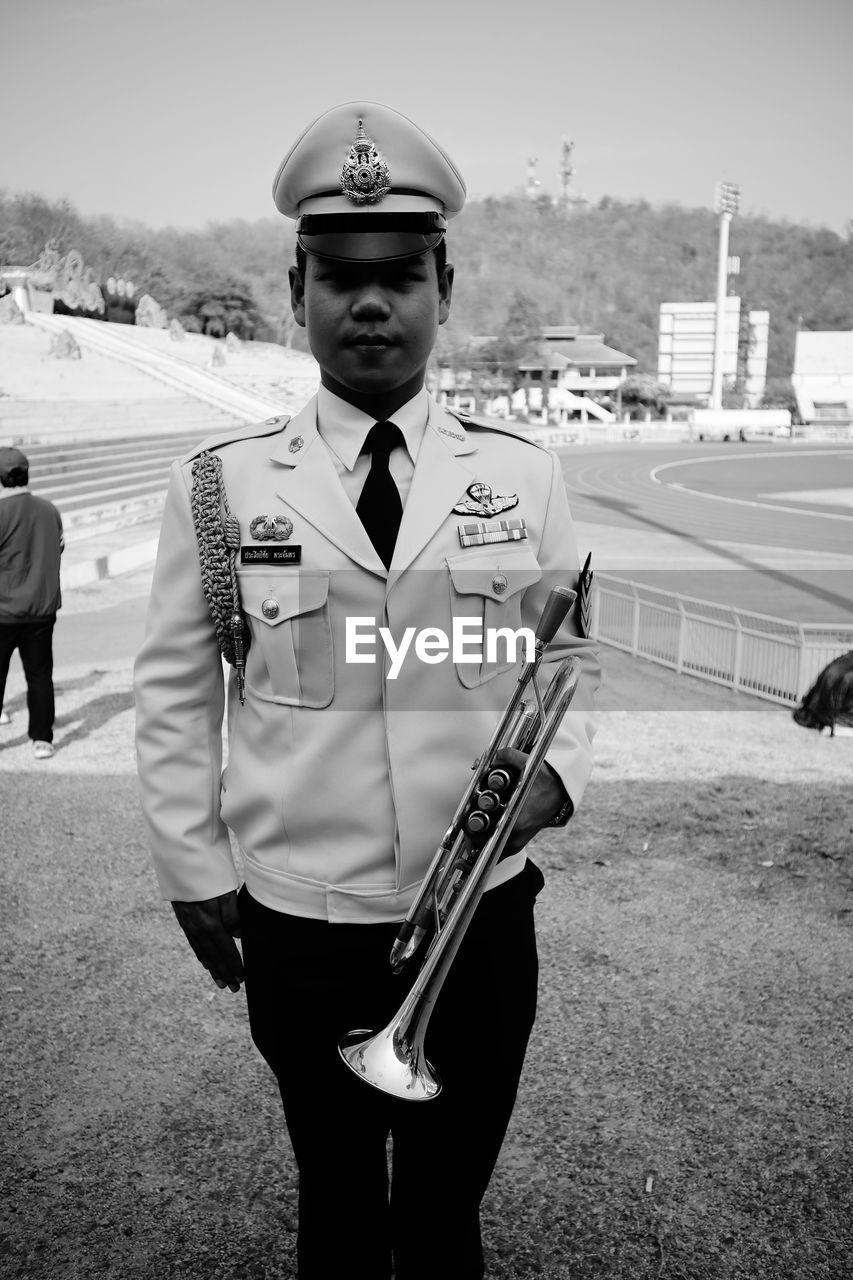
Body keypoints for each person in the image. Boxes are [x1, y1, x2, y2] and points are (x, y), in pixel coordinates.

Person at [134, 100, 599, 1280]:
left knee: (445, 1214)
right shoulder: (223, 488)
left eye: (400, 274)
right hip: (304, 921)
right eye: (340, 276)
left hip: (482, 918)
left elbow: (565, 662)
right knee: (334, 1205)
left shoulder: (525, 474)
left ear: (446, 286)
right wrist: (196, 870)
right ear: (297, 292)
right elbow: (177, 693)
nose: (371, 301)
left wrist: (554, 779)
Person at [0, 446, 64, 758]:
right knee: (40, 675)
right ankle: (42, 739)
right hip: (41, 609)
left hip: (4, 610)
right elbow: (58, 548)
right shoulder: (49, 509)